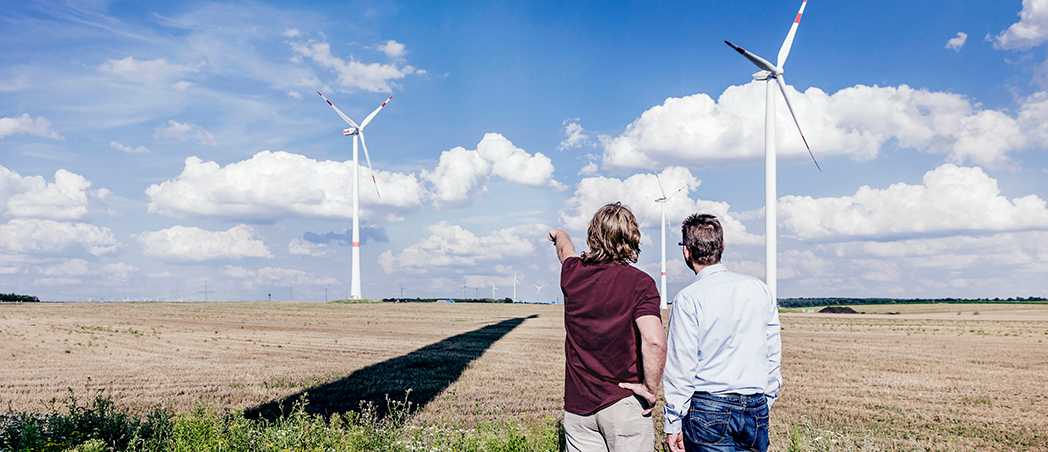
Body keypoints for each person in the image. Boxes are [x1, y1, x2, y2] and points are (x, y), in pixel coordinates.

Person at [548, 202, 667, 452]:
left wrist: (560, 234)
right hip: (623, 403)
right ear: (632, 238)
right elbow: (654, 340)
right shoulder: (640, 283)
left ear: (593, 235)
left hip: (578, 407)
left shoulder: (572, 273)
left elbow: (564, 250)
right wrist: (650, 388)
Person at [662, 213, 782, 452]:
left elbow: (680, 366)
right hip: (755, 405)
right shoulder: (760, 289)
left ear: (687, 252)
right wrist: (766, 399)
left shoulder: (688, 299)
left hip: (708, 407)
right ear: (722, 246)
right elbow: (772, 351)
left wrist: (673, 421)